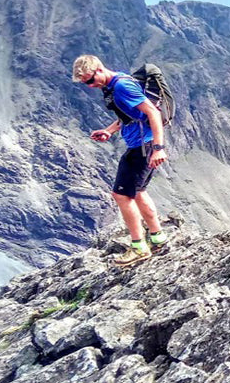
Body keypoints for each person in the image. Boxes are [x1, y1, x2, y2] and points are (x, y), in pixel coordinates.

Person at [72, 54, 169, 265]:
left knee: (121, 196)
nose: (89, 86)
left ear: (99, 70)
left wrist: (159, 148)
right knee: (139, 191)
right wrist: (109, 131)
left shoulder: (122, 86)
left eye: (90, 80)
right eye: (85, 83)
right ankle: (158, 238)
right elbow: (129, 114)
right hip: (144, 145)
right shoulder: (114, 83)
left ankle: (139, 247)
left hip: (143, 147)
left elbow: (152, 112)